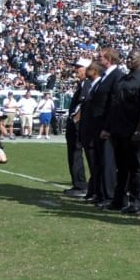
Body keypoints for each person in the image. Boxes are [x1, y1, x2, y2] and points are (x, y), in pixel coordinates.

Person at [107, 49, 140, 214]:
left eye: (132, 58)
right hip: (119, 129)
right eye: (128, 57)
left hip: (134, 130)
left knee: (137, 166)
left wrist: (138, 130)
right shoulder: (124, 79)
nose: (128, 60)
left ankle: (137, 201)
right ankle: (119, 199)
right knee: (121, 167)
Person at [85, 47, 122, 209]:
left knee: (107, 162)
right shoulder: (105, 77)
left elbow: (113, 104)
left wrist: (107, 127)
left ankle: (109, 196)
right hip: (97, 125)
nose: (98, 59)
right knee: (99, 161)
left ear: (109, 59)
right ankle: (100, 193)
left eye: (101, 57)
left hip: (107, 127)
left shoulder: (116, 76)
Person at [63, 57, 92, 197]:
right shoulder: (83, 84)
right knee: (76, 153)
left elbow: (84, 103)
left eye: (79, 67)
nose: (76, 70)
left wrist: (75, 119)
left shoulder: (86, 84)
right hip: (79, 123)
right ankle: (81, 184)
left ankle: (81, 185)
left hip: (79, 124)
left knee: (76, 153)